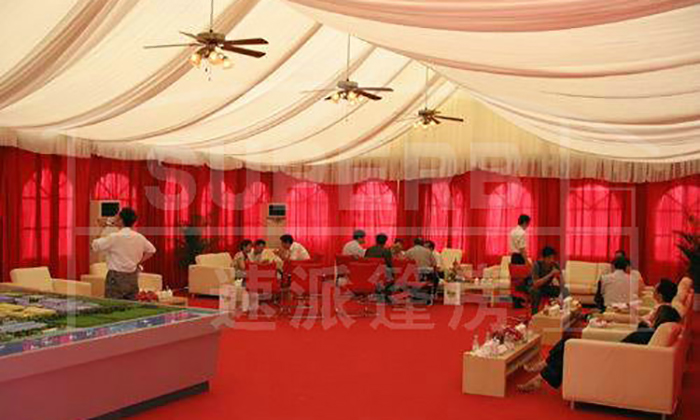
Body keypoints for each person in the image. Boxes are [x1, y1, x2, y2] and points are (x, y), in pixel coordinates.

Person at [518, 304, 682, 392]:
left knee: (568, 345)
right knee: (567, 345)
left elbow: (631, 339)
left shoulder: (645, 333)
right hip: (613, 354)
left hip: (610, 358)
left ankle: (540, 374)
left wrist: (645, 321)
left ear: (659, 318)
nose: (652, 313)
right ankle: (541, 372)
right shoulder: (650, 333)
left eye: (655, 312)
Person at [91, 207, 156, 300]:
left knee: (113, 306)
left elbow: (94, 246)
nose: (114, 218)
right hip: (132, 277)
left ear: (121, 220)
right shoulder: (139, 237)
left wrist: (101, 228)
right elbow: (152, 250)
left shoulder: (114, 237)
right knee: (130, 306)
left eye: (116, 217)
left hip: (116, 278)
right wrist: (138, 262)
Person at [529, 246, 566, 315]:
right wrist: (551, 274)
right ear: (543, 258)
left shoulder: (555, 264)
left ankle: (560, 312)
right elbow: (536, 283)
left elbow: (562, 283)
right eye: (549, 258)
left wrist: (559, 277)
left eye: (553, 258)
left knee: (563, 290)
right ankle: (534, 315)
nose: (551, 260)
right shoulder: (537, 265)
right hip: (534, 287)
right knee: (535, 292)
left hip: (545, 287)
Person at [364, 233, 395, 302]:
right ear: (385, 241)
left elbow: (365, 261)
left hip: (369, 273)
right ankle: (387, 296)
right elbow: (389, 264)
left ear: (376, 240)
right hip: (381, 274)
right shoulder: (386, 251)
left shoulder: (369, 250)